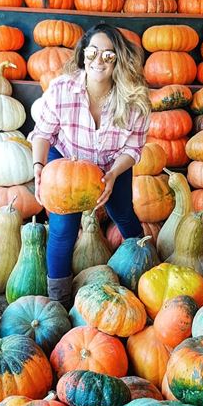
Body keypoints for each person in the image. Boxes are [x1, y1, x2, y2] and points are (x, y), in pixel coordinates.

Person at [29, 23, 152, 309]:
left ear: (118, 59)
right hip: (67, 160)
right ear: (83, 53)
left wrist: (111, 175)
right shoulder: (62, 89)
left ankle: (144, 274)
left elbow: (132, 149)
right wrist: (38, 165)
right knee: (63, 227)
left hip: (111, 164)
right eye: (93, 52)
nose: (99, 61)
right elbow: (43, 133)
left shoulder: (134, 99)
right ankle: (57, 300)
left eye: (109, 55)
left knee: (123, 215)